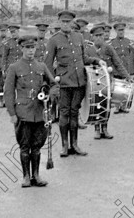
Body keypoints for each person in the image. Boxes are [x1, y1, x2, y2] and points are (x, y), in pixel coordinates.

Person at [44, 10, 105, 157]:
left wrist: (97, 60)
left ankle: (75, 145)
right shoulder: (54, 40)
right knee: (64, 114)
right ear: (59, 22)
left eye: (68, 22)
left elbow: (83, 58)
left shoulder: (78, 37)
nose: (65, 24)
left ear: (72, 22)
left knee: (74, 113)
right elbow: (47, 65)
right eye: (63, 22)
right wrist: (53, 85)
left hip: (79, 82)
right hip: (64, 83)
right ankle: (65, 146)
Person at [5, 36, 57, 187]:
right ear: (21, 49)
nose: (30, 51)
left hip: (39, 112)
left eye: (33, 48)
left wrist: (49, 95)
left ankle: (36, 175)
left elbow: (54, 84)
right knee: (24, 145)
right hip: (23, 112)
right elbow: (8, 92)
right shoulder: (14, 67)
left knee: (37, 145)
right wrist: (12, 114)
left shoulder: (41, 66)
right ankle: (26, 176)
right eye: (27, 48)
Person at [90, 24, 129, 139]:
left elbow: (117, 63)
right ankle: (97, 129)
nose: (99, 38)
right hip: (94, 83)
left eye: (101, 35)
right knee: (96, 105)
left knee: (106, 105)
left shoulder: (108, 48)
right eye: (96, 36)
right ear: (92, 37)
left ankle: (105, 128)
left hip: (107, 81)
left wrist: (127, 76)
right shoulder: (88, 49)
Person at [109, 22, 133, 113]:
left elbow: (132, 56)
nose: (121, 32)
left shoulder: (128, 42)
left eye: (122, 30)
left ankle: (124, 105)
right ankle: (117, 106)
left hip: (126, 68)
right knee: (117, 88)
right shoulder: (112, 43)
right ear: (115, 31)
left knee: (125, 87)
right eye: (119, 30)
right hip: (116, 69)